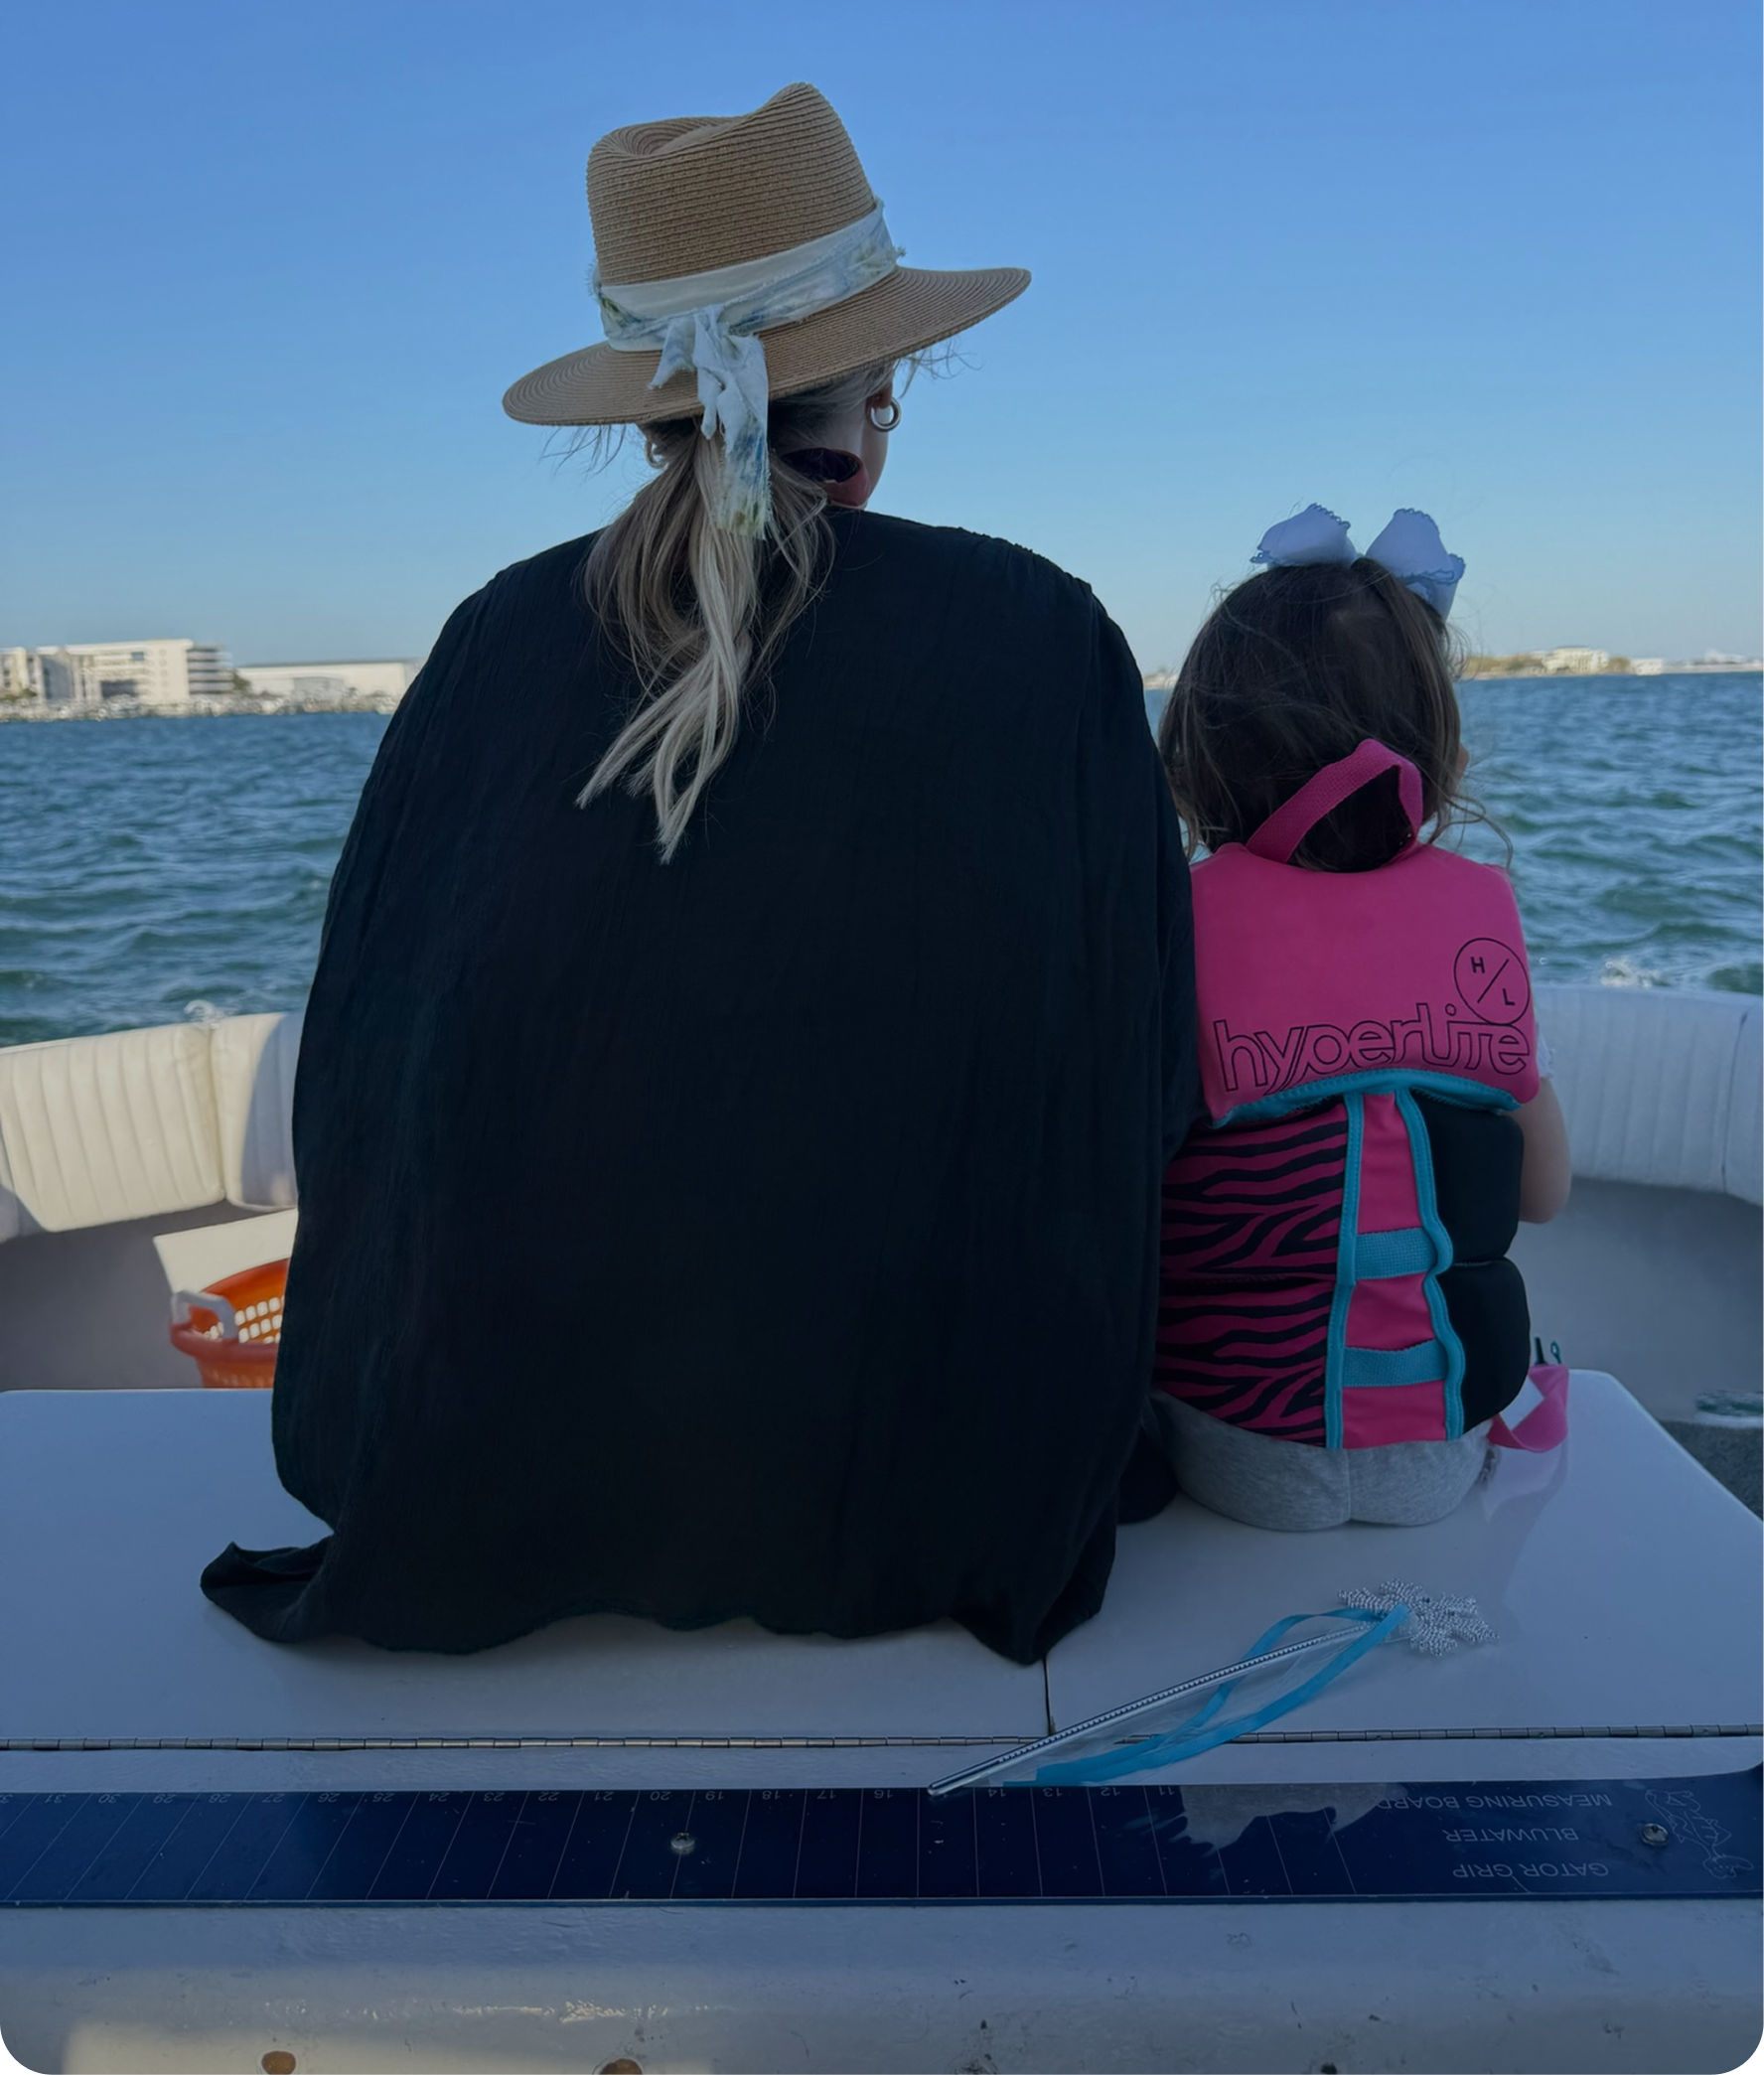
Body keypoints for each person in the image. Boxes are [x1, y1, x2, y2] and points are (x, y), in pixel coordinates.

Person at [202, 82, 1198, 1662]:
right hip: (926, 1498)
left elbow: (374, 1067)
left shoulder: (487, 644)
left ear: (645, 408)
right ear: (872, 394)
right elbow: (1137, 1091)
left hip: (483, 1482)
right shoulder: (1040, 634)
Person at [1149, 506, 1570, 1532]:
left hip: (1228, 1441)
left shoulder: (1175, 928)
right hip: (1440, 1444)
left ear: (1201, 758)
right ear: (1439, 755)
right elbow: (1545, 1192)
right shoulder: (1473, 930)